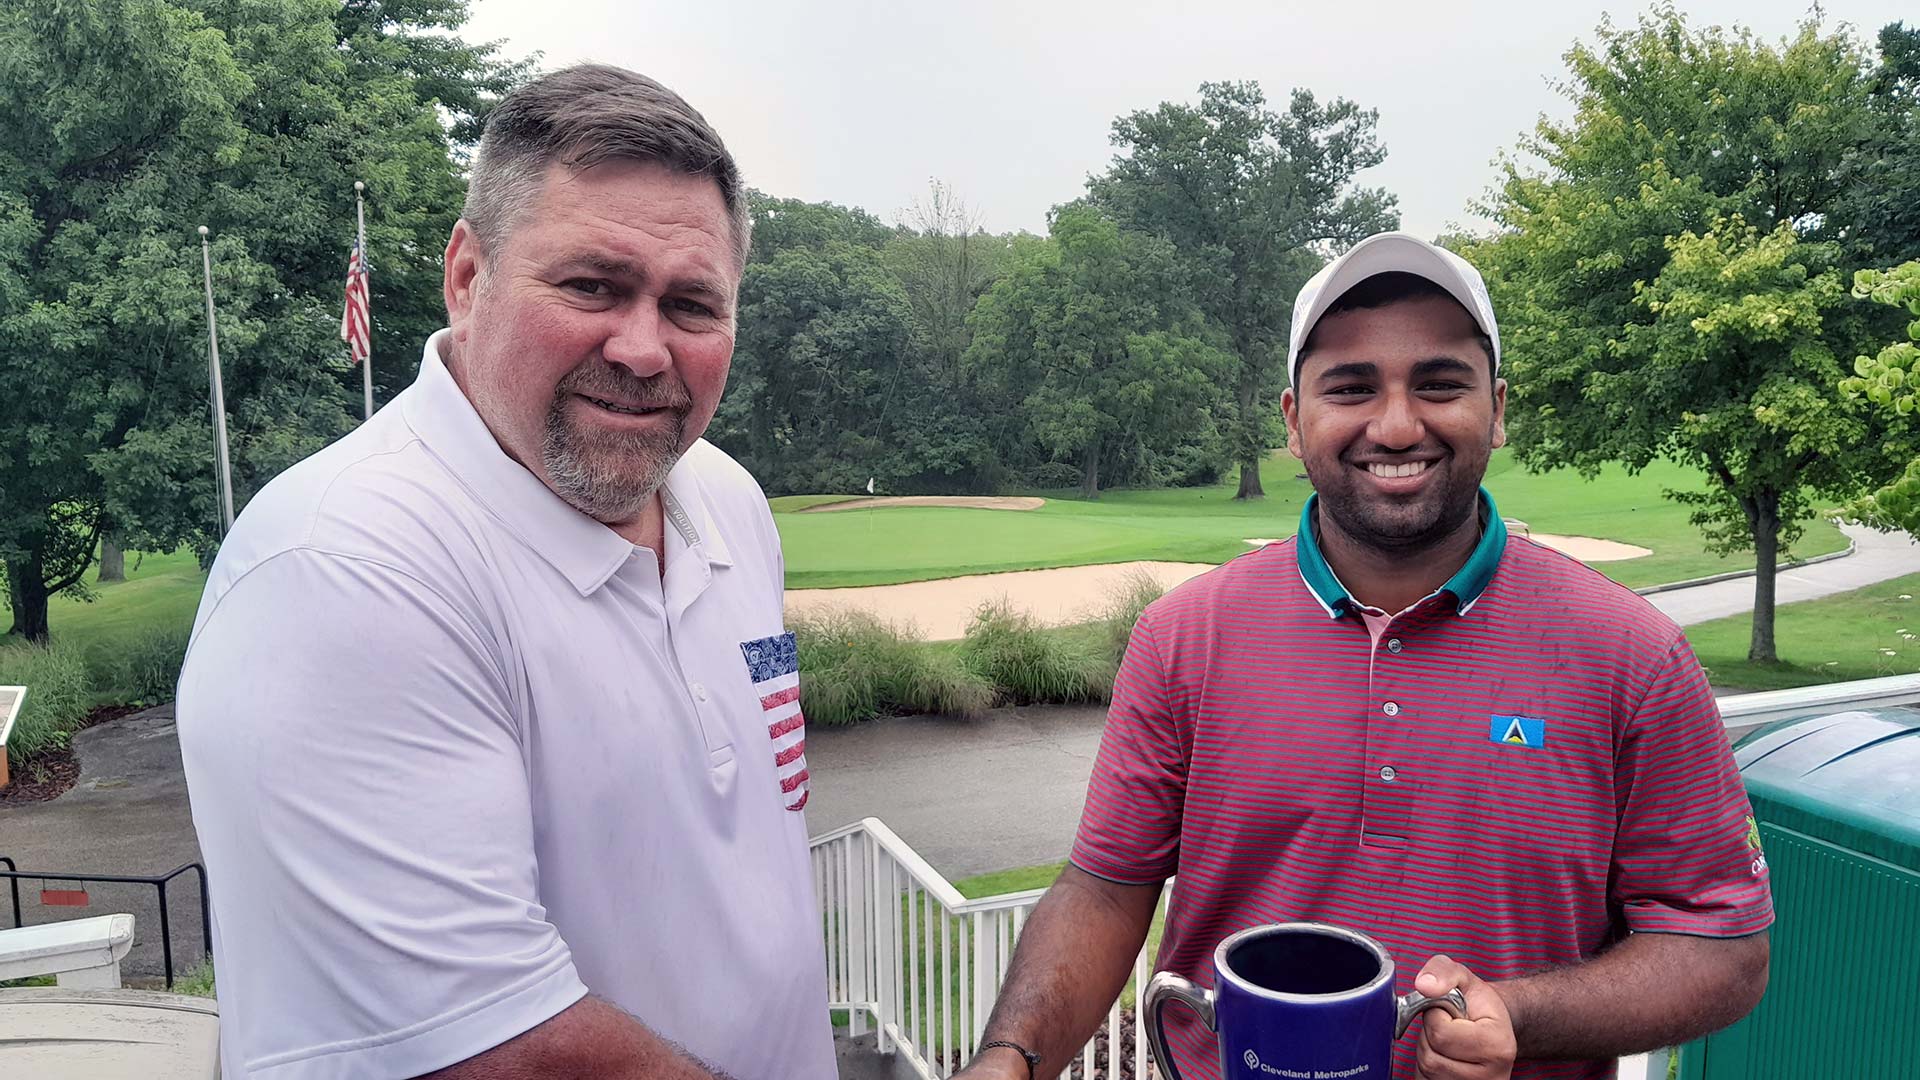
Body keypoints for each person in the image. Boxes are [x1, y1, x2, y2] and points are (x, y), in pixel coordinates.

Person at [954, 233, 1773, 1080]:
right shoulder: (1184, 636)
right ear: (1293, 420)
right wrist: (1008, 1060)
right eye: (1350, 388)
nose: (1394, 424)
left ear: (1496, 408)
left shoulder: (1629, 652)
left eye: (1439, 384)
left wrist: (1518, 1016)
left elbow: (1722, 949)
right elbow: (1104, 890)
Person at [176, 64, 835, 1079]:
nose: (645, 347)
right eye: (591, 286)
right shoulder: (347, 569)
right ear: (468, 276)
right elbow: (510, 1054)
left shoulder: (730, 503)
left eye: (693, 304)